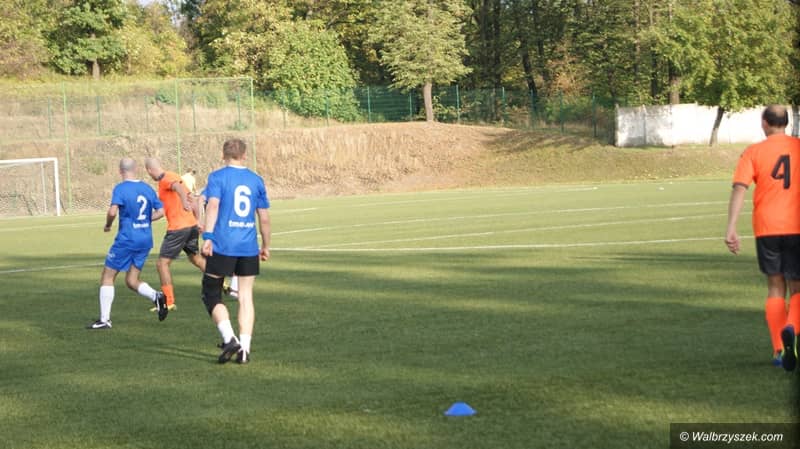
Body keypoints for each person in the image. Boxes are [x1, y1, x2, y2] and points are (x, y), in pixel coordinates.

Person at [725, 105, 800, 371]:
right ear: (786, 123)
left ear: (765, 123)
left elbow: (740, 188)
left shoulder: (753, 152)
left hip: (767, 227)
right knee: (797, 288)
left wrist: (731, 227)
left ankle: (779, 349)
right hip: (797, 226)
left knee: (775, 287)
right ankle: (792, 327)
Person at [200, 138, 271, 364]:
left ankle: (230, 339)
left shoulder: (217, 177)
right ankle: (245, 349)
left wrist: (208, 237)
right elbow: (264, 218)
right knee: (245, 296)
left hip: (224, 244)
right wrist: (265, 245)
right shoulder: (256, 180)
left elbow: (212, 206)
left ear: (223, 155)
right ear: (244, 155)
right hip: (248, 246)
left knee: (211, 292)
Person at [88, 158, 168, 329]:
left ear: (120, 171)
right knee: (131, 280)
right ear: (136, 169)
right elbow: (161, 211)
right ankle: (157, 296)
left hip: (127, 239)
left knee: (108, 276)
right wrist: (145, 221)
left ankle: (104, 320)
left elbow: (112, 211)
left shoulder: (121, 189)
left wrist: (108, 225)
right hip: (145, 240)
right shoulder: (147, 188)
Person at [145, 158, 206, 311]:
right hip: (190, 225)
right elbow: (192, 199)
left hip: (178, 229)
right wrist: (198, 220)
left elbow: (178, 189)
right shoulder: (174, 176)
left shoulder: (166, 179)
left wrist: (184, 201)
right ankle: (220, 281)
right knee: (196, 258)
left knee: (162, 264)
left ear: (150, 171)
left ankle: (168, 301)